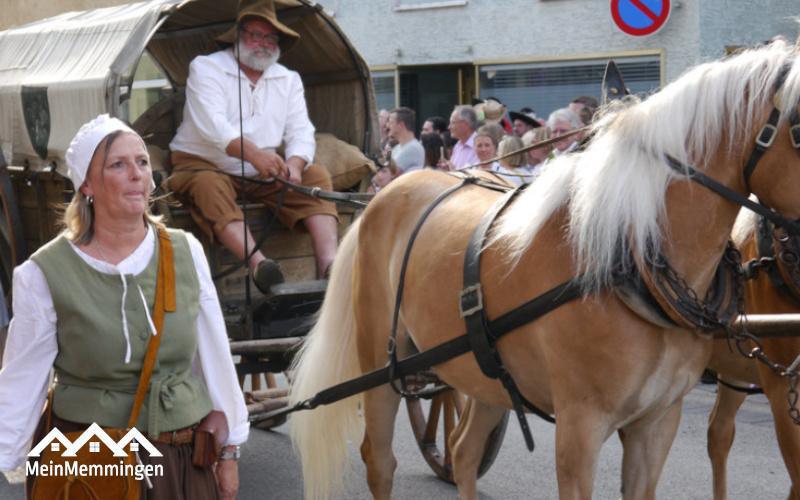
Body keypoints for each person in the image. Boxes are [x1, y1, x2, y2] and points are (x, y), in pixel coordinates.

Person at [0, 115, 248, 499]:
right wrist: (5, 455)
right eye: (118, 164)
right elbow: (22, 381)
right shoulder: (43, 273)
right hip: (90, 464)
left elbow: (213, 357)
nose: (138, 174)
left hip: (180, 460)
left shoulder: (185, 251)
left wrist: (229, 449)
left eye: (143, 162)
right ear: (86, 184)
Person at [168, 0, 339, 288]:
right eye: (255, 35)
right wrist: (256, 155)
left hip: (263, 170)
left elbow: (301, 130)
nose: (263, 43)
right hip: (203, 163)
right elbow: (213, 126)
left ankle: (330, 268)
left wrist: (295, 165)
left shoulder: (288, 79)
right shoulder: (206, 68)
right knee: (209, 185)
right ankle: (260, 266)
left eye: (271, 37)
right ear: (237, 36)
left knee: (316, 176)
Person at [439, 105, 479, 170]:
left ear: (465, 124)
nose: (449, 127)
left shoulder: (481, 146)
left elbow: (477, 175)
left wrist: (452, 170)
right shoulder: (458, 146)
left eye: (452, 122)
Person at [387, 107, 425, 173]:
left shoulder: (413, 148)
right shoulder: (397, 148)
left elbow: (390, 173)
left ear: (401, 125)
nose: (388, 125)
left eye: (391, 122)